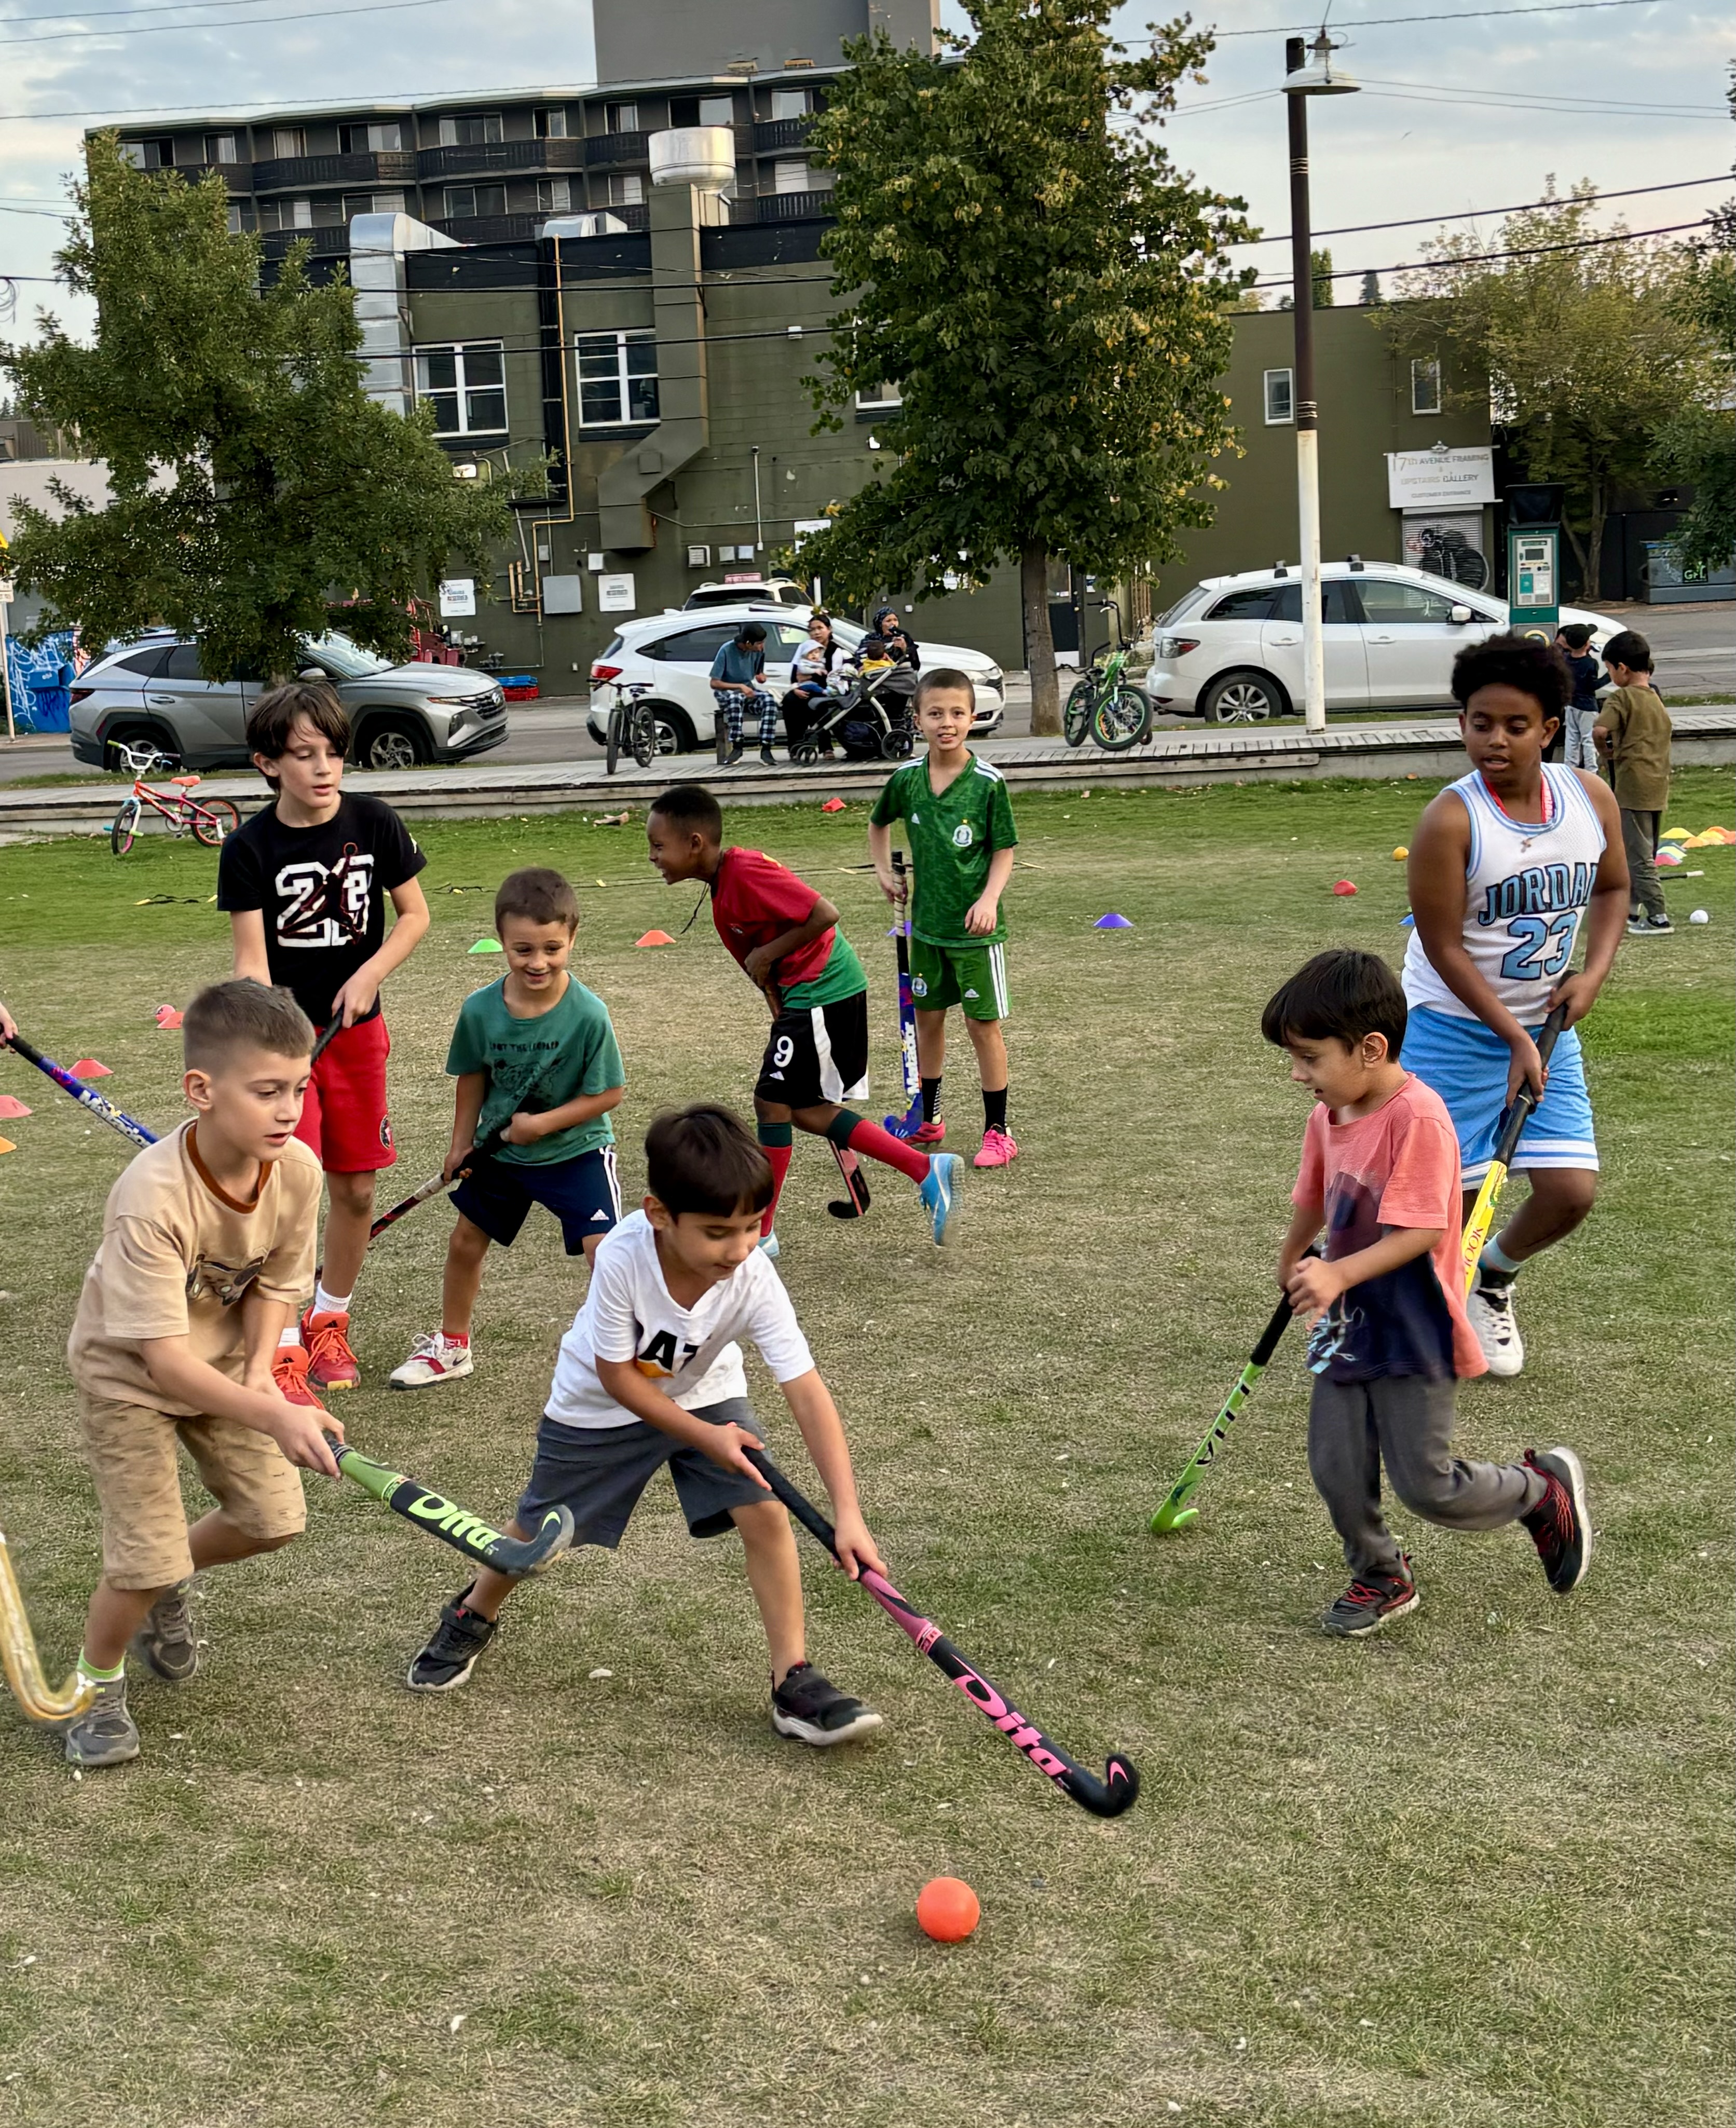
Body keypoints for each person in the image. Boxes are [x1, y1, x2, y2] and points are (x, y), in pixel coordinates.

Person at [402, 1103, 887, 1748]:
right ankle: (473, 1611)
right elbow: (618, 1377)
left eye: (752, 1226)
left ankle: (792, 1678)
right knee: (540, 1529)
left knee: (766, 1513)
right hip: (598, 1404)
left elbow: (806, 1389)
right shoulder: (623, 1257)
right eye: (718, 1231)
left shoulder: (752, 1275)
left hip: (706, 1392)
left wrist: (848, 1512)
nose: (740, 1248)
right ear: (659, 1213)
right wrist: (705, 1437)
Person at [1266, 949, 1591, 1636]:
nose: (1297, 1074)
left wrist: (1337, 1273)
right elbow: (1314, 1192)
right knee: (1335, 1465)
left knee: (1428, 1484)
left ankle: (1538, 1491)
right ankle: (1381, 1574)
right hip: (1348, 1323)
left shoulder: (1418, 1117)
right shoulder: (1329, 1115)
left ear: (1370, 1048)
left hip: (1413, 1325)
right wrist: (1295, 1250)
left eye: (1309, 1057)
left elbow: (1421, 1231)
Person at [59, 980, 340, 1767]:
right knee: (144, 1554)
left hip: (219, 1366)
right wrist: (276, 1414)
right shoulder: (150, 1198)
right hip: (129, 1377)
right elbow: (163, 1361)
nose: (289, 1110)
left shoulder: (297, 1170)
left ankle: (157, 1580)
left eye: (300, 1088)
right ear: (201, 1090)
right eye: (267, 1092)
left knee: (272, 1521)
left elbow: (278, 1282)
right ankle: (93, 1686)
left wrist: (261, 1373)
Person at [1401, 632, 1627, 1378]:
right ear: (1462, 724)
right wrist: (1512, 1037)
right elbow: (1444, 948)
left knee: (1569, 1192)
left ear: (1550, 730)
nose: (1495, 740)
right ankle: (1421, 1313)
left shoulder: (1589, 798)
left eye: (1515, 725)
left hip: (1546, 1025)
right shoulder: (1450, 820)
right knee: (1454, 1203)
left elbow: (1614, 888)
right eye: (1480, 723)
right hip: (1451, 1028)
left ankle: (1491, 1278)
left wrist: (1592, 976)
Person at [217, 681, 429, 1392]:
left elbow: (415, 917)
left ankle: (328, 1319)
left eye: (333, 753)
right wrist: (275, 1040)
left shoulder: (374, 822)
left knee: (357, 1190)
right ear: (268, 763)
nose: (323, 768)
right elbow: (251, 962)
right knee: (290, 1194)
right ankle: (281, 1346)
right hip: (288, 1045)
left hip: (360, 1037)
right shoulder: (248, 847)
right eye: (304, 755)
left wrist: (370, 973)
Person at [645, 783, 962, 1249]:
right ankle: (923, 1168)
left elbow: (824, 914)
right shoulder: (720, 896)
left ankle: (761, 1232)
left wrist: (769, 954)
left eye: (658, 846)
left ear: (695, 843)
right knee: (803, 1110)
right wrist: (778, 1008)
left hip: (826, 989)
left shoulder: (745, 869)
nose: (652, 856)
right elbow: (762, 973)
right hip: (802, 999)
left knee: (770, 1101)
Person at [389, 868, 626, 1390]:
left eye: (551, 948)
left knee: (607, 1251)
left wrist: (541, 1124)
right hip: (500, 1152)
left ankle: (621, 1355)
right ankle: (453, 1347)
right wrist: (460, 1144)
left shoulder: (589, 1015)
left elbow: (609, 1095)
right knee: (465, 1241)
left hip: (577, 1150)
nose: (538, 962)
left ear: (572, 938)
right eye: (523, 950)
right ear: (501, 940)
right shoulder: (479, 1010)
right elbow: (472, 1077)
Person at [868, 670, 1019, 1169]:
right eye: (935, 714)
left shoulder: (987, 784)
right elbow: (878, 823)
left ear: (972, 718)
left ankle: (998, 1131)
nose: (946, 723)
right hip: (926, 931)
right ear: (918, 720)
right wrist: (882, 872)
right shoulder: (906, 780)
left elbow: (1003, 850)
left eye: (957, 713)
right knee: (927, 1022)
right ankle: (928, 1117)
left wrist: (989, 899)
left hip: (974, 934)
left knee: (981, 1027)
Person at [1593, 629, 1673, 938]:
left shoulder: (1622, 697)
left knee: (1638, 855)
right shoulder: (1654, 696)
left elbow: (1600, 731)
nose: (1610, 676)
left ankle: (1658, 916)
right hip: (1657, 783)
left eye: (1609, 669)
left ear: (1622, 668)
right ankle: (1631, 909)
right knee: (1643, 850)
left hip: (1632, 786)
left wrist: (1606, 753)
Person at [709, 620, 778, 768]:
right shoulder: (726, 650)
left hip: (748, 692)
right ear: (748, 643)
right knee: (736, 698)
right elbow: (714, 683)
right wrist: (739, 686)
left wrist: (761, 676)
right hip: (728, 693)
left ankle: (766, 748)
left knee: (769, 700)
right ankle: (737, 746)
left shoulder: (758, 652)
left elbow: (758, 672)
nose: (762, 647)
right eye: (759, 643)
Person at [782, 611, 845, 759]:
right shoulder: (804, 648)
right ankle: (796, 747)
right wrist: (796, 688)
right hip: (803, 689)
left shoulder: (835, 651)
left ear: (829, 629)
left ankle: (826, 747)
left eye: (820, 628)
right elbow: (795, 675)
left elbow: (831, 677)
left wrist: (808, 676)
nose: (816, 633)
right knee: (790, 701)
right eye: (812, 630)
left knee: (817, 703)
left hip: (826, 690)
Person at [1554, 623, 1602, 771]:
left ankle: (1570, 769)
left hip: (1571, 705)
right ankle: (1591, 771)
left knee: (1571, 738)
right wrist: (1609, 677)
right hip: (1588, 707)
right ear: (1587, 644)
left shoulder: (1565, 660)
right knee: (1588, 739)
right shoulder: (1590, 663)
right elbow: (1593, 685)